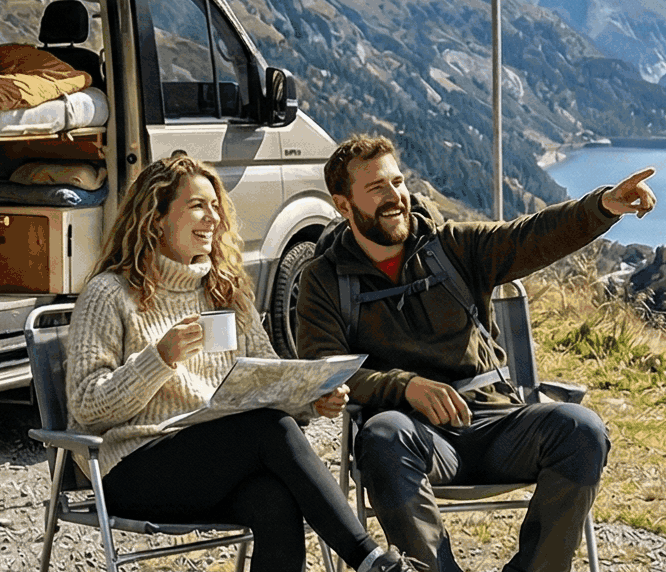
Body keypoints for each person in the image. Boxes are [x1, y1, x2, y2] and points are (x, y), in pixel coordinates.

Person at [292, 135, 658, 572]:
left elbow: (530, 236)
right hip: (414, 437)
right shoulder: (324, 279)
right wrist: (404, 387)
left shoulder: (452, 247)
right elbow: (324, 369)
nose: (394, 197)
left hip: (495, 423)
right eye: (376, 188)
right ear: (343, 205)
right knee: (381, 437)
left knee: (582, 429)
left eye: (398, 182)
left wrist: (603, 207)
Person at [65, 153, 409, 572]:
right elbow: (87, 405)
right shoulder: (110, 294)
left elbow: (266, 378)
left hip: (214, 463)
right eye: (197, 206)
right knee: (269, 428)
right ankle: (370, 560)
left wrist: (309, 399)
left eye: (215, 206)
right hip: (132, 467)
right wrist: (159, 359)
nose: (212, 218)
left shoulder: (224, 291)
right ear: (155, 220)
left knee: (274, 500)